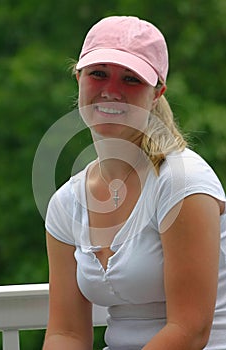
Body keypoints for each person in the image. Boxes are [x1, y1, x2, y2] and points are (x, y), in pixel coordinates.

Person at [43, 16, 226, 350]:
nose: (111, 90)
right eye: (98, 73)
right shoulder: (66, 203)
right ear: (78, 79)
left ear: (157, 94)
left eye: (131, 79)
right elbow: (66, 333)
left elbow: (190, 331)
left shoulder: (182, 183)